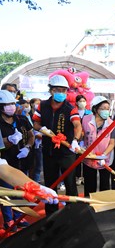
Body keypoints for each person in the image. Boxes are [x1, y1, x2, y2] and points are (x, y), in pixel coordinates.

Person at [32, 74, 82, 216]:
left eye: (64, 90)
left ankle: (73, 212)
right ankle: (51, 214)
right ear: (51, 90)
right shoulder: (43, 105)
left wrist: (75, 140)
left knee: (70, 183)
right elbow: (36, 122)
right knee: (51, 184)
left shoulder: (70, 108)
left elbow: (77, 125)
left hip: (67, 152)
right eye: (57, 90)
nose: (61, 93)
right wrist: (41, 129)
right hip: (49, 152)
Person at [0, 90, 35, 230]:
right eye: (7, 104)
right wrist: (9, 140)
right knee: (8, 193)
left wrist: (27, 147)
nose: (11, 107)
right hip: (5, 164)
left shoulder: (22, 119)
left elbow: (31, 135)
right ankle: (9, 221)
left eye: (12, 104)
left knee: (21, 191)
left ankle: (19, 217)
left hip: (21, 161)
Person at [81, 96, 115, 196]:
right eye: (103, 108)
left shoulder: (111, 123)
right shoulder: (86, 120)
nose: (106, 111)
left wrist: (103, 156)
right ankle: (89, 206)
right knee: (89, 185)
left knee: (105, 186)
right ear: (95, 109)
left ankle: (104, 206)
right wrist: (82, 147)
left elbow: (112, 143)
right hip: (89, 159)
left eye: (107, 109)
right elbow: (82, 136)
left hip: (105, 159)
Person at [75, 95, 92, 186]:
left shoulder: (89, 113)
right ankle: (78, 176)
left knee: (86, 158)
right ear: (77, 102)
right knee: (77, 159)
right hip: (77, 139)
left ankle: (85, 177)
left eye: (83, 101)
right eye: (80, 101)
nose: (82, 103)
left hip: (86, 139)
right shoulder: (74, 112)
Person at [29, 98, 42, 183]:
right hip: (32, 143)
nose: (38, 105)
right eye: (36, 103)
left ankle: (36, 182)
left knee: (38, 165)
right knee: (34, 165)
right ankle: (33, 182)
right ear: (32, 104)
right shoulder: (29, 116)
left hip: (40, 144)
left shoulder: (42, 115)